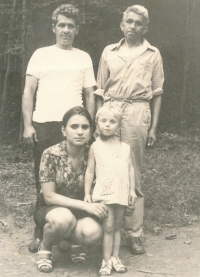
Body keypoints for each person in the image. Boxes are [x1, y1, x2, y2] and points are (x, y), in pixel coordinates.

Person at [22, 4, 96, 252]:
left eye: (71, 26)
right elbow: (28, 91)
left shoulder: (83, 57)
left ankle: (71, 232)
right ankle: (40, 231)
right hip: (44, 124)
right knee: (42, 180)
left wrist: (90, 128)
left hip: (74, 126)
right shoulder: (41, 54)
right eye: (61, 25)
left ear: (77, 30)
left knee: (76, 179)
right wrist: (28, 125)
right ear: (54, 27)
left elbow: (90, 95)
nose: (66, 30)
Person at [95, 5, 164, 255]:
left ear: (145, 28)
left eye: (138, 23)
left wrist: (153, 127)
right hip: (110, 110)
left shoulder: (152, 54)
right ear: (122, 25)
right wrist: (98, 120)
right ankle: (105, 228)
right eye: (129, 22)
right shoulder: (108, 52)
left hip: (137, 112)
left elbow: (157, 93)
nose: (133, 26)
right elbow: (100, 90)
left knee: (133, 170)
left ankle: (135, 234)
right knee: (105, 167)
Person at [35, 106, 108, 273]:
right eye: (74, 127)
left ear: (91, 131)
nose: (80, 132)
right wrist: (86, 206)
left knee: (93, 233)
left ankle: (74, 243)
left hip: (81, 212)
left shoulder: (95, 154)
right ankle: (45, 247)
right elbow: (49, 197)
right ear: (63, 130)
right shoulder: (50, 154)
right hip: (51, 209)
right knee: (63, 219)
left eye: (85, 127)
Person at [84, 106, 137, 275]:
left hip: (121, 190)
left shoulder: (125, 147)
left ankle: (115, 257)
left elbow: (130, 170)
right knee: (107, 226)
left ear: (119, 126)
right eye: (103, 121)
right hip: (104, 192)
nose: (107, 125)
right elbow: (90, 171)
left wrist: (132, 191)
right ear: (97, 124)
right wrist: (87, 193)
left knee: (117, 226)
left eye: (112, 122)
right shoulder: (95, 146)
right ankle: (105, 261)